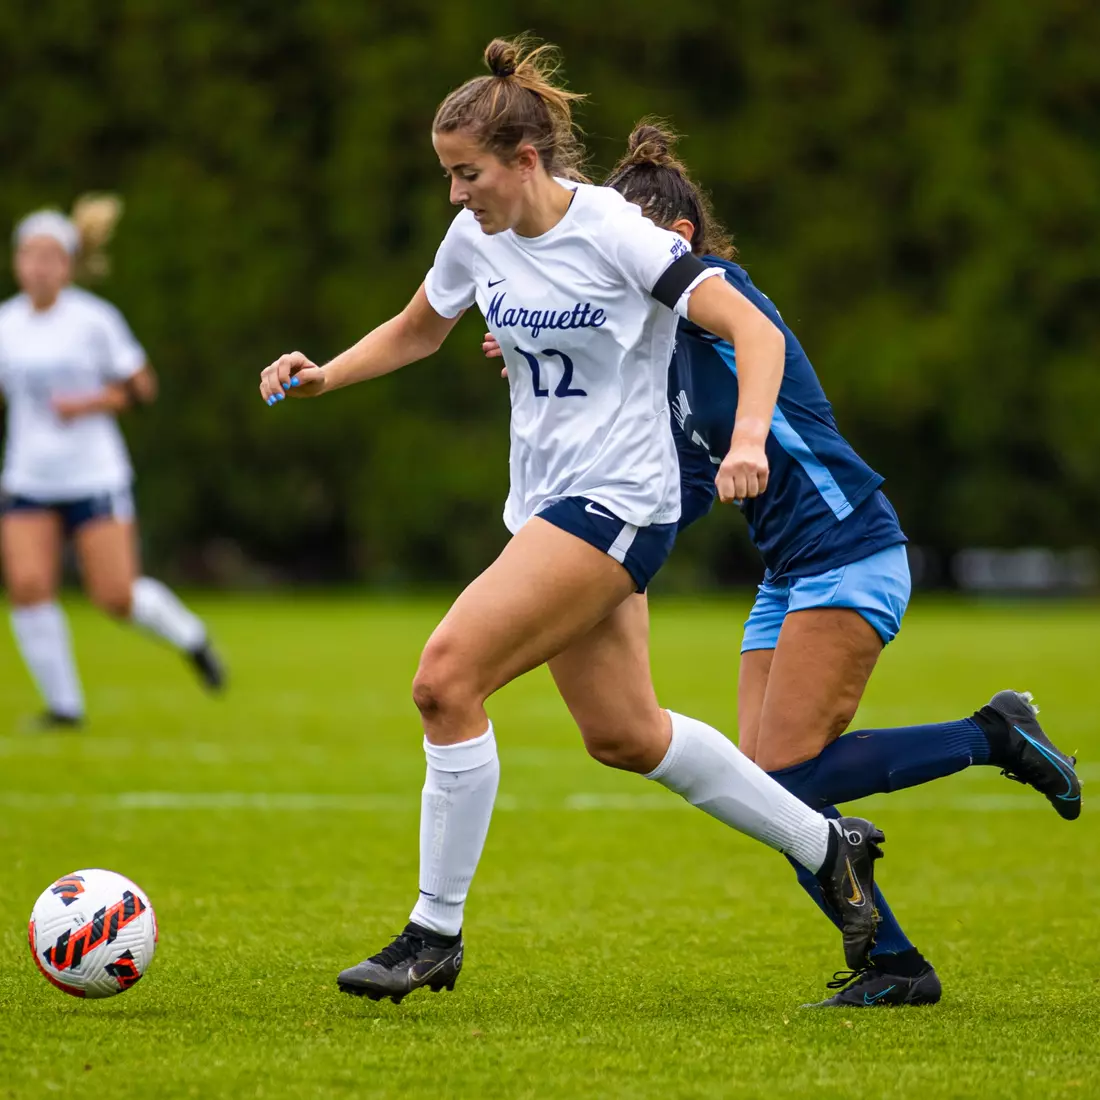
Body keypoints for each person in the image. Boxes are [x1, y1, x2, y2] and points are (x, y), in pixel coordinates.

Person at [259, 37, 891, 1005]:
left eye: (465, 173)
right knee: (626, 735)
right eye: (445, 175)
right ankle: (825, 841)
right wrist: (324, 373)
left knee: (444, 678)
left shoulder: (613, 231)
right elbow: (420, 327)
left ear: (525, 160)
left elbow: (752, 329)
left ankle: (432, 930)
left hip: (620, 502)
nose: (453, 194)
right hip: (545, 507)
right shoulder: (478, 237)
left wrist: (748, 439)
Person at [486, 121, 1081, 1007]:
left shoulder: (724, 301)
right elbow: (668, 478)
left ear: (673, 243)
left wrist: (753, 436)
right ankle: (896, 966)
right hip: (787, 574)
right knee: (772, 792)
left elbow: (750, 354)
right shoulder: (661, 355)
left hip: (851, 550)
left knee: (792, 776)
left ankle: (993, 735)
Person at [1, 196, 225, 729]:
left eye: (51, 256)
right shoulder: (6, 322)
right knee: (29, 586)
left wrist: (89, 402)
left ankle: (190, 638)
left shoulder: (94, 320)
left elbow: (141, 386)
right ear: (16, 262)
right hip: (27, 475)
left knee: (114, 596)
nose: (39, 266)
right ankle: (64, 707)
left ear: (69, 264)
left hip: (93, 474)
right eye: (30, 255)